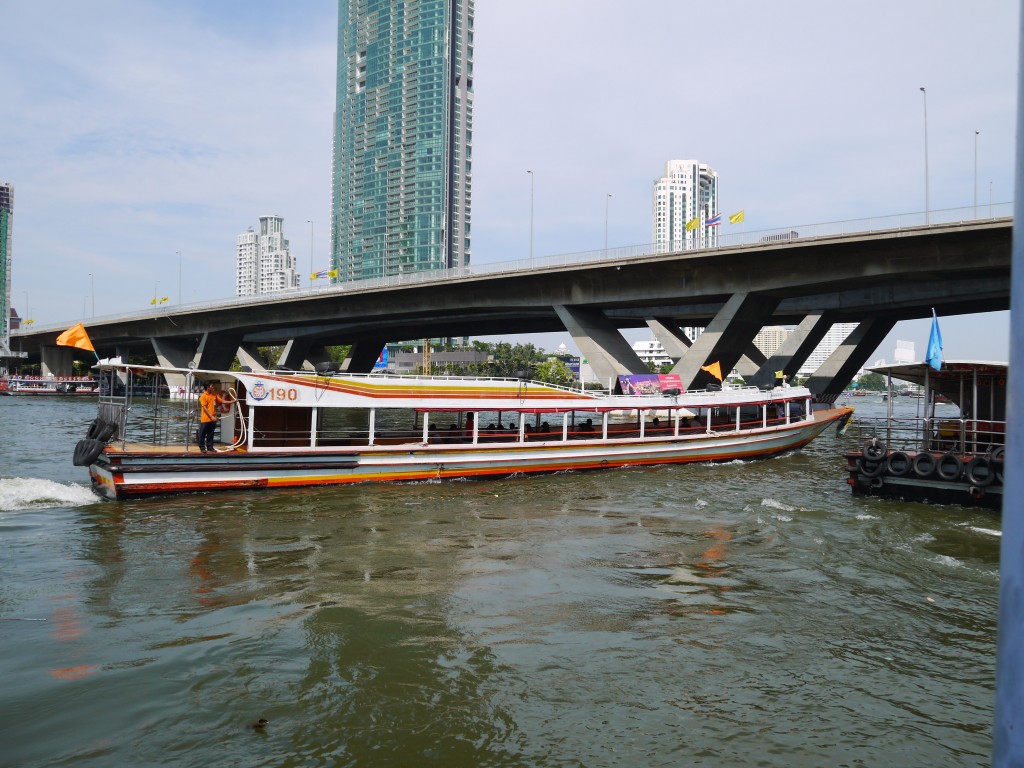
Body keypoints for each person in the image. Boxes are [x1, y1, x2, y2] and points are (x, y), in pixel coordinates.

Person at [198, 381, 228, 454]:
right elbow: (205, 408)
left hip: (213, 419)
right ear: (208, 387)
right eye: (212, 386)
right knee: (202, 434)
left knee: (211, 434)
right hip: (205, 419)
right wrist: (211, 417)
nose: (213, 387)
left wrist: (233, 401)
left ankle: (210, 447)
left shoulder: (214, 395)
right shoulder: (203, 396)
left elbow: (222, 401)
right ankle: (202, 448)